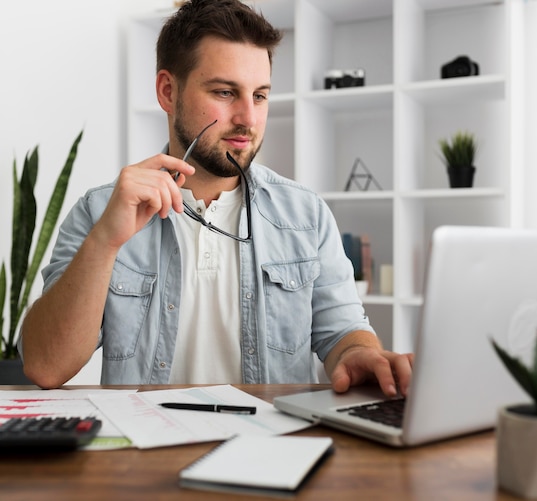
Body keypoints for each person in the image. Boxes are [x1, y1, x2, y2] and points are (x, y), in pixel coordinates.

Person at [19, 0, 413, 396]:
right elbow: (45, 367)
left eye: (259, 96)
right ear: (168, 91)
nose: (248, 117)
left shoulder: (305, 214)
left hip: (273, 447)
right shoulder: (99, 212)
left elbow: (343, 332)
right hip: (142, 452)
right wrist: (105, 241)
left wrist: (359, 354)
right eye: (225, 92)